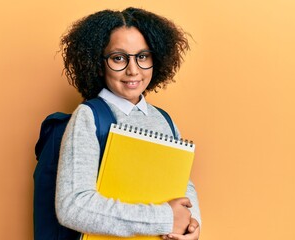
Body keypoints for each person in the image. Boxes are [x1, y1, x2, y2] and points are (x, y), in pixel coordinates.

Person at [55, 7, 201, 240]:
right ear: (98, 62)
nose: (133, 70)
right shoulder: (87, 117)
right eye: (118, 58)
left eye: (142, 56)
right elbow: (72, 206)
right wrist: (163, 219)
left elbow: (183, 185)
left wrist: (192, 226)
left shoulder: (165, 120)